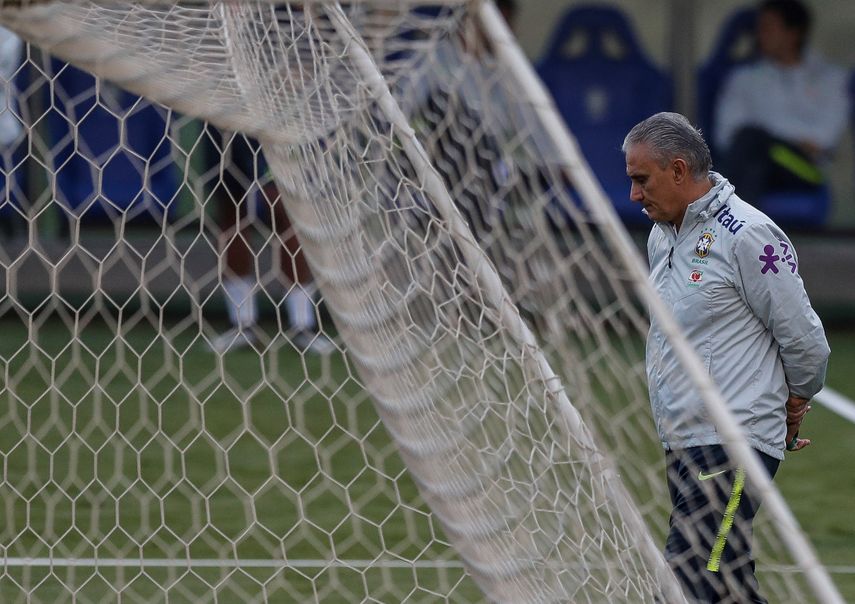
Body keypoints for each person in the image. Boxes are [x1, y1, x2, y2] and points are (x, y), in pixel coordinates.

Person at [623, 112, 829, 602]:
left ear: (677, 170)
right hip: (684, 439)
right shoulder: (662, 236)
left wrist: (795, 401)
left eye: (640, 179)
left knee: (687, 580)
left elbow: (805, 339)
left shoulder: (749, 234)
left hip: (733, 443)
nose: (634, 195)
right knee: (726, 586)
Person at [205, 128, 334, 355]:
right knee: (232, 207)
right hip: (224, 108)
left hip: (280, 113)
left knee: (286, 206)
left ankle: (302, 324)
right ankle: (241, 324)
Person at [713, 0, 849, 205]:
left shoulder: (829, 79)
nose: (760, 35)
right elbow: (726, 134)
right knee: (754, 155)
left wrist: (767, 133)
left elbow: (823, 139)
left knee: (753, 143)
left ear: (793, 33)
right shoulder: (745, 78)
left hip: (804, 169)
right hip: (755, 160)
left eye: (768, 28)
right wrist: (793, 136)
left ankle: (721, 223)